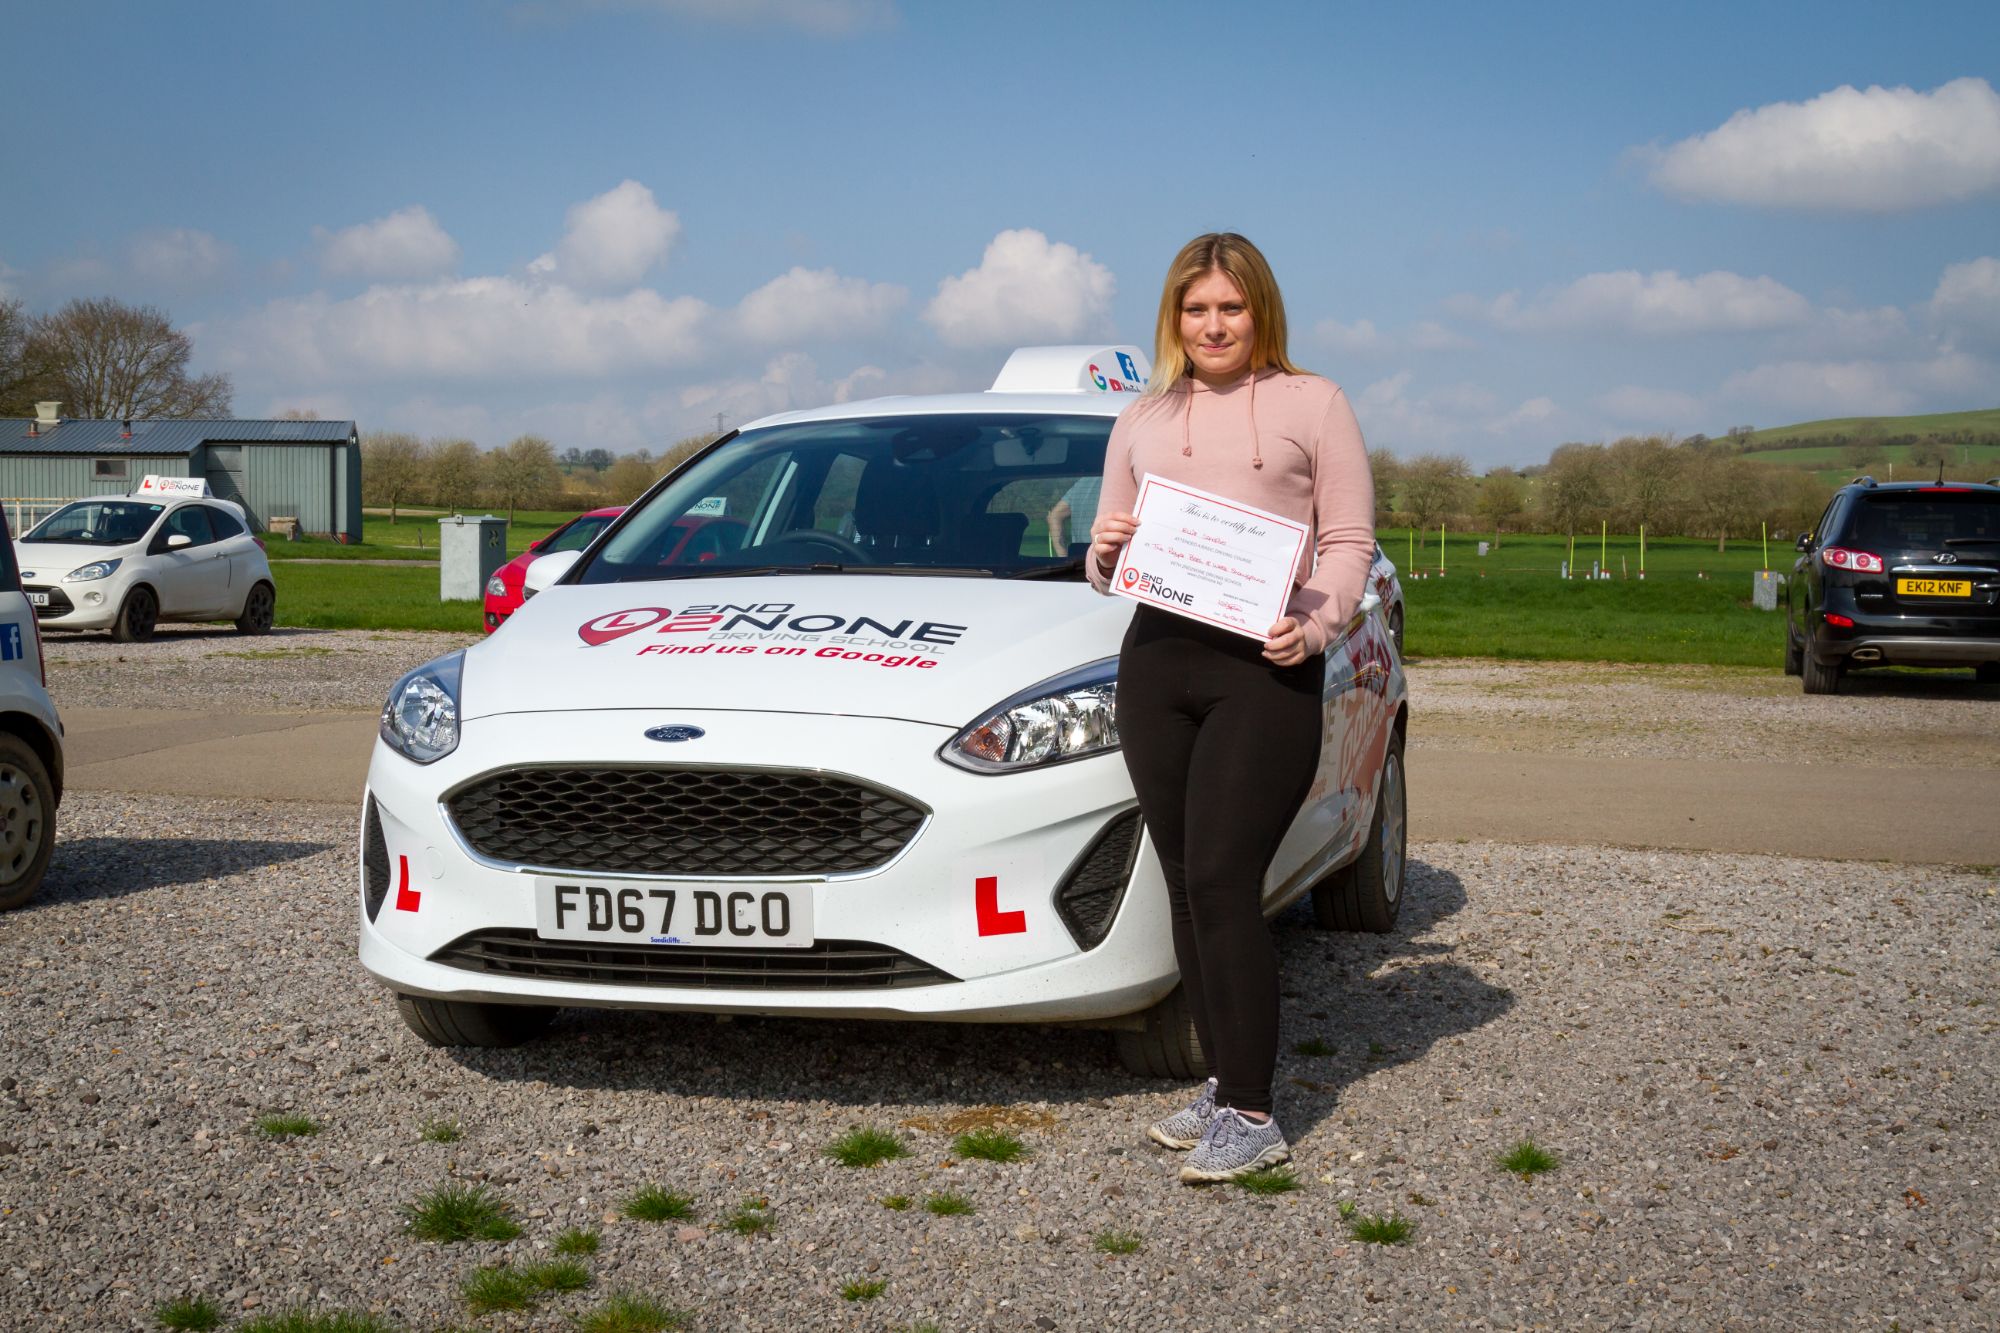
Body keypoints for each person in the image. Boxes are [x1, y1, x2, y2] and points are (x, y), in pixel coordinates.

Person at [1086, 233, 1374, 1184]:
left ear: (1262, 313)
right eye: (1196, 309)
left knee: (1221, 877)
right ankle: (1224, 1082)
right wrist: (1106, 550)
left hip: (1265, 669)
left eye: (1231, 308)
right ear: (1175, 319)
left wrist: (1317, 622)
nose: (1214, 326)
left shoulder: (1313, 403)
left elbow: (1349, 540)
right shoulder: (1141, 417)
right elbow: (1103, 556)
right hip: (1158, 665)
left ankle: (1252, 1114)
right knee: (1182, 880)